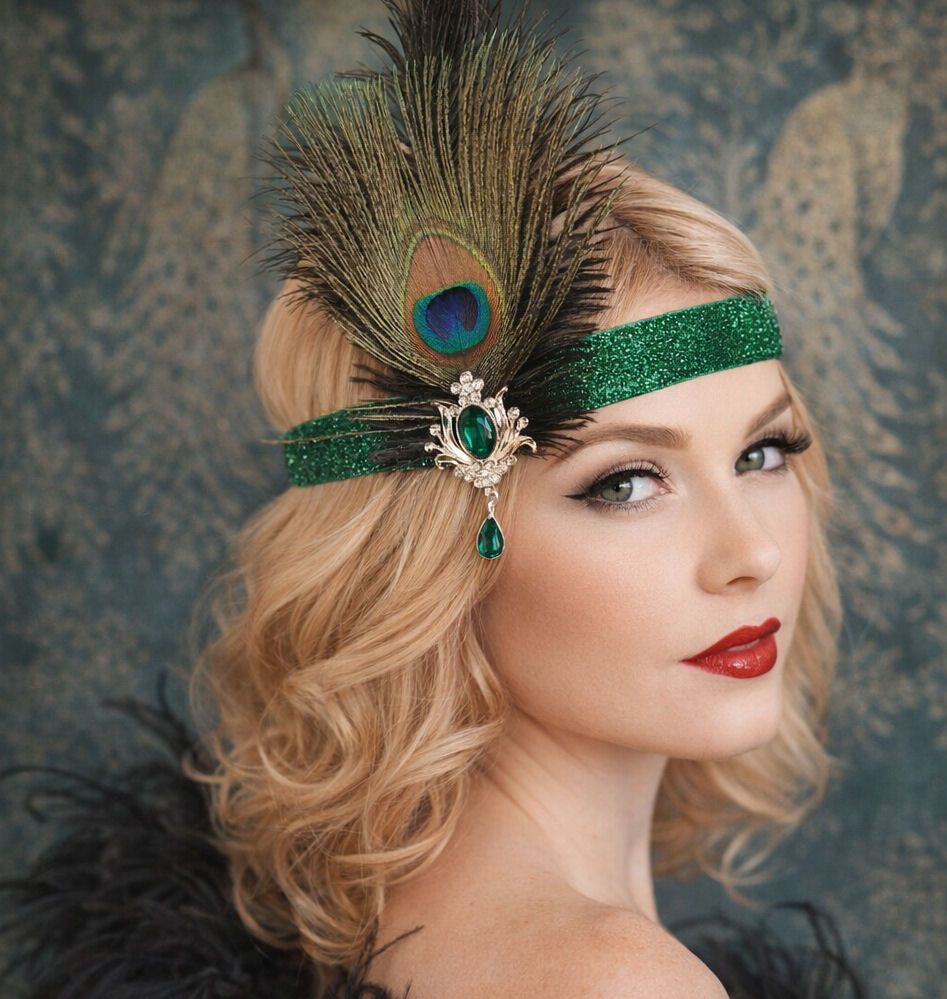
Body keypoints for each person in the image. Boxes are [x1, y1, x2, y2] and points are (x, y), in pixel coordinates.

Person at [1, 1, 866, 996]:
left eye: (763, 452)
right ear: (438, 549)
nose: (746, 552)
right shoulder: (613, 979)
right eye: (625, 482)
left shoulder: (390, 927)